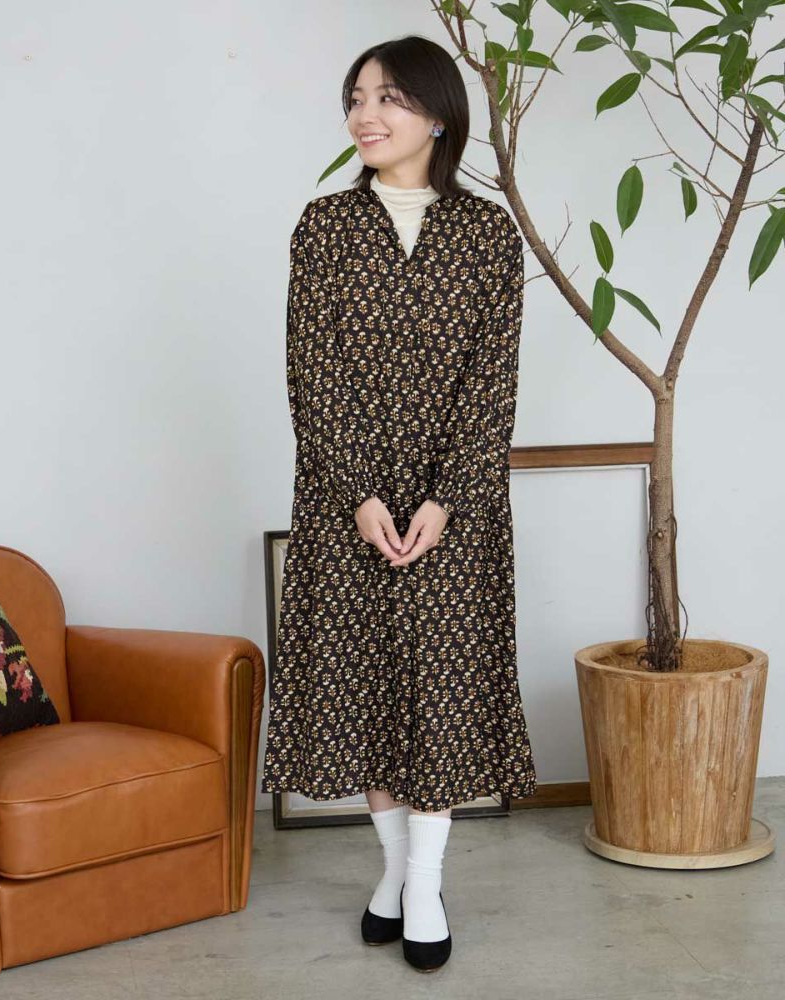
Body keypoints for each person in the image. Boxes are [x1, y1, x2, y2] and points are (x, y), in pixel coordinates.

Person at [261, 35, 537, 973]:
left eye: (386, 98)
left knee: (442, 697)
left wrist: (447, 500)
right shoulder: (324, 228)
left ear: (438, 114)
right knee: (368, 690)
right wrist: (359, 495)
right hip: (348, 502)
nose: (364, 115)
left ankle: (423, 885)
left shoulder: (488, 235)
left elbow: (493, 384)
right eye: (355, 98)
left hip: (457, 506)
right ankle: (397, 873)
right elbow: (312, 372)